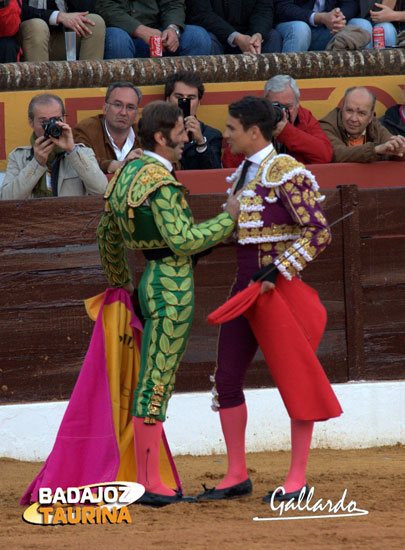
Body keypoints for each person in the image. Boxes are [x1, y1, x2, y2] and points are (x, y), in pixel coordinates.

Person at [197, 95, 342, 502]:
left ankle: (296, 480)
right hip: (245, 289)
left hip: (278, 292)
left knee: (296, 381)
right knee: (226, 379)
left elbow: (319, 232)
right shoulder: (243, 171)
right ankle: (236, 474)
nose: (224, 134)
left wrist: (278, 270)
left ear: (253, 132)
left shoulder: (285, 171)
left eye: (230, 128)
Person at [96, 101, 240, 507]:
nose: (185, 139)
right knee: (157, 379)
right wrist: (228, 218)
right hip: (172, 285)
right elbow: (182, 241)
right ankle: (149, 482)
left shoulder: (126, 175)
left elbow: (105, 234)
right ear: (161, 136)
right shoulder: (159, 181)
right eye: (179, 132)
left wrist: (122, 285)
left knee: (152, 377)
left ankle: (148, 477)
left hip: (146, 282)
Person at [0, 93, 108, 199]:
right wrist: (36, 163)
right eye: (43, 121)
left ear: (64, 119)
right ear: (31, 122)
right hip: (32, 216)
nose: (50, 126)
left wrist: (72, 151)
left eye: (55, 120)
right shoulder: (18, 157)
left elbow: (102, 190)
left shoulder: (83, 153)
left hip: (69, 216)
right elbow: (6, 200)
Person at [222, 75, 333, 168]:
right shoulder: (255, 119)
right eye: (276, 107)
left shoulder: (304, 118)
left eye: (288, 106)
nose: (283, 112)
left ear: (297, 103)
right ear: (266, 104)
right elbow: (229, 163)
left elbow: (325, 156)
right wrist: (258, 132)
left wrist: (287, 132)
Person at [95, 0, 211, 59]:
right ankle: (125, 98)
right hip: (123, 34)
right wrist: (139, 30)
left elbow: (173, 3)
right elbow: (105, 7)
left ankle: (183, 95)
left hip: (159, 32)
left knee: (197, 36)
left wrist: (172, 28)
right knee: (116, 38)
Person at [320, 86, 405, 162]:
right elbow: (337, 154)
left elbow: (391, 147)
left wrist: (399, 149)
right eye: (349, 111)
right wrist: (375, 150)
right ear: (342, 109)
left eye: (361, 113)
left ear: (370, 117)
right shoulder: (327, 125)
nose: (353, 119)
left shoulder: (374, 125)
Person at [73, 81, 143, 174]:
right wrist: (117, 165)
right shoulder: (86, 129)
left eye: (130, 107)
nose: (123, 113)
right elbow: (82, 162)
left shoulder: (144, 133)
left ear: (136, 115)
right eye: (118, 105)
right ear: (105, 108)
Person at [164, 71, 223, 170]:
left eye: (191, 98)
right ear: (167, 99)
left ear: (199, 102)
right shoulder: (153, 131)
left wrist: (201, 142)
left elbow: (215, 175)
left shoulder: (211, 135)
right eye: (179, 97)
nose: (184, 102)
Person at [185, 0, 282, 54]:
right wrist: (236, 37)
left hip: (248, 34)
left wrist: (258, 35)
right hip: (217, 34)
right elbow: (201, 14)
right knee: (206, 39)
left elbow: (264, 10)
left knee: (273, 36)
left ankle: (267, 86)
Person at [19, 1, 105, 61]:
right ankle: (39, 84)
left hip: (61, 38)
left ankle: (87, 84)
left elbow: (85, 10)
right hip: (28, 36)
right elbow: (19, 10)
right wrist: (56, 16)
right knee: (37, 26)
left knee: (95, 22)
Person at [274, 0, 372, 52]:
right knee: (300, 29)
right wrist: (319, 18)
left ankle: (363, 86)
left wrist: (337, 17)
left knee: (362, 25)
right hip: (294, 26)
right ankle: (289, 84)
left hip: (329, 29)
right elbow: (282, 8)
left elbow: (350, 3)